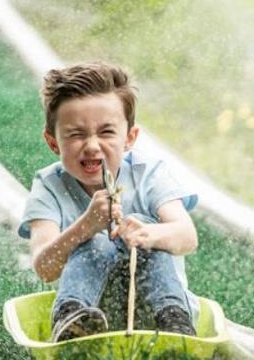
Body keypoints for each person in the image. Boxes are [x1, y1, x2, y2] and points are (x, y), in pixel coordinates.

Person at [22, 62, 200, 341]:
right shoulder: (49, 186)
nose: (92, 146)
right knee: (94, 240)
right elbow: (44, 268)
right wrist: (85, 227)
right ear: (53, 142)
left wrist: (147, 234)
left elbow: (187, 237)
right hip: (86, 316)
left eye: (106, 132)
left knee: (140, 223)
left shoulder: (148, 174)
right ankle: (71, 316)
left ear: (129, 138)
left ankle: (173, 316)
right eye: (76, 134)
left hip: (157, 314)